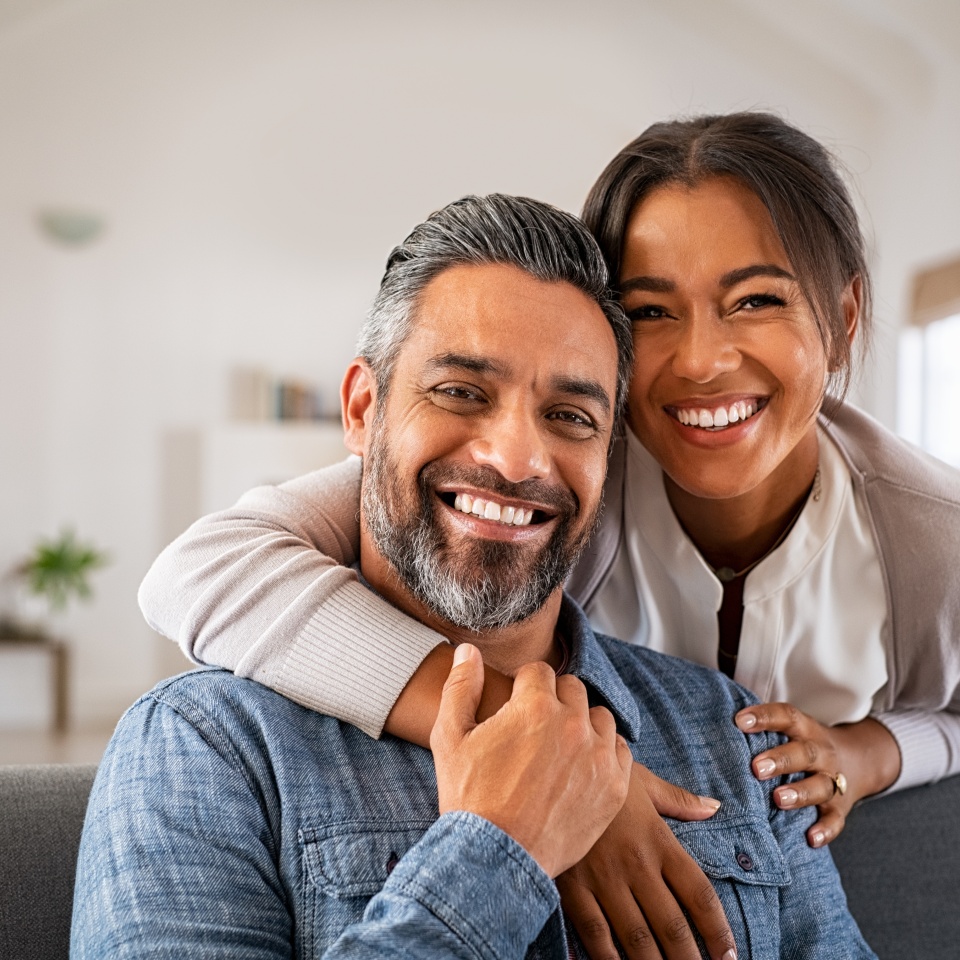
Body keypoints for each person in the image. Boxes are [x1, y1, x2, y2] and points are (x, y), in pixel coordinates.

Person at [139, 114, 960, 949]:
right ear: (363, 408)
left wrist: (875, 750)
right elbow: (200, 569)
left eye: (755, 300)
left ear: (845, 316)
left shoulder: (916, 548)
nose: (703, 360)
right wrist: (539, 774)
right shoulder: (212, 749)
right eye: (651, 310)